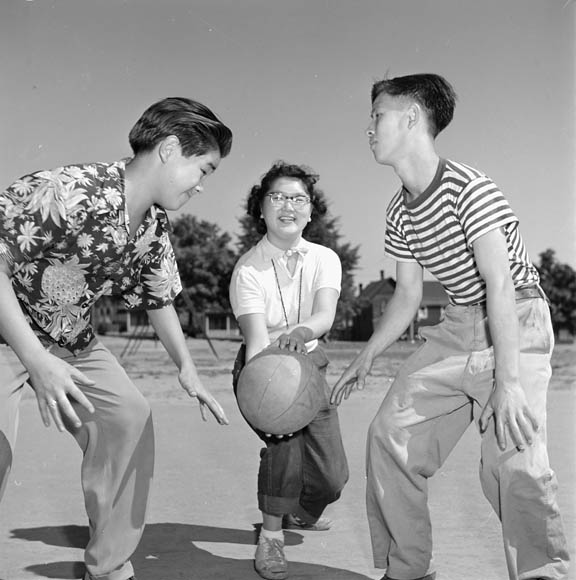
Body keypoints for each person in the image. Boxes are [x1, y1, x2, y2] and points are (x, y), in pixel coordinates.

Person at [331, 74, 569, 580]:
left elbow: (500, 285)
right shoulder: (399, 210)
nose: (369, 128)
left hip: (517, 319)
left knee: (514, 462)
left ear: (412, 117)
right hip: (457, 325)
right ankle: (409, 568)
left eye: (377, 116)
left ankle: (542, 573)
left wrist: (505, 383)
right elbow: (409, 295)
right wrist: (368, 354)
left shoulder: (470, 188)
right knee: (389, 434)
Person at [0, 96, 232, 580]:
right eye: (204, 169)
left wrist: (187, 369)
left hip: (68, 338)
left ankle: (107, 565)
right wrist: (32, 359)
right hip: (6, 335)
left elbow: (159, 294)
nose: (203, 186)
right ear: (170, 149)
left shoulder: (152, 225)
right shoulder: (64, 191)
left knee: (129, 414)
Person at [229, 161, 349, 580]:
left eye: (298, 198)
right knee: (286, 448)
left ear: (310, 211)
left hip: (310, 364)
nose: (288, 205)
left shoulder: (325, 258)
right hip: (262, 370)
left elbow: (325, 316)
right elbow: (258, 342)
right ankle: (271, 537)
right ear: (260, 208)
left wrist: (299, 333)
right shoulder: (247, 269)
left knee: (333, 478)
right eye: (277, 196)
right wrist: (271, 398)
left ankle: (300, 511)